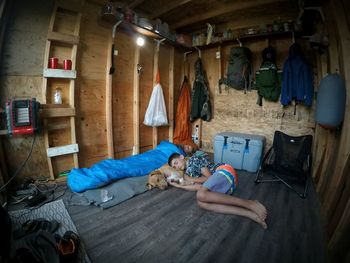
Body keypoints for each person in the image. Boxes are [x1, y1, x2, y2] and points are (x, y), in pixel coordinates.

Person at [167, 153, 268, 229]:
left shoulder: (194, 159)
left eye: (176, 163)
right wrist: (178, 185)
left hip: (225, 172)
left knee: (200, 194)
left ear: (181, 157)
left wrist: (191, 180)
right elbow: (199, 187)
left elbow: (209, 177)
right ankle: (250, 214)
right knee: (201, 203)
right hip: (225, 187)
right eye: (174, 167)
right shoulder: (188, 173)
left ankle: (249, 203)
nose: (177, 166)